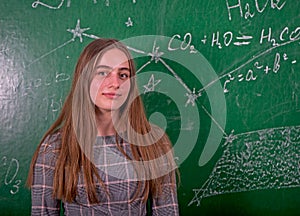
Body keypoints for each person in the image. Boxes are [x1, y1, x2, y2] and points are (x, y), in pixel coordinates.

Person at [27, 38, 179, 215]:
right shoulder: (54, 148)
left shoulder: (155, 143)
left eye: (123, 75)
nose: (115, 83)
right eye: (102, 73)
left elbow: (167, 211)